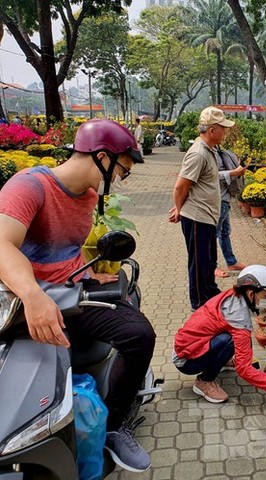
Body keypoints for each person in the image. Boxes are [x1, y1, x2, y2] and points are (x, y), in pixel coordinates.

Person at [0, 118, 156, 472]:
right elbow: (2, 244)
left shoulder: (87, 196)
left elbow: (67, 248)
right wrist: (32, 295)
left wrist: (92, 271)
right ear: (102, 157)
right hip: (28, 304)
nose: (118, 181)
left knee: (140, 334)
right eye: (121, 172)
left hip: (74, 293)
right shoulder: (29, 187)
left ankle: (114, 427)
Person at [173, 265, 266, 403]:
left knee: (233, 339)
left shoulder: (232, 296)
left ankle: (221, 360)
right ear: (251, 294)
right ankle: (204, 381)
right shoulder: (238, 318)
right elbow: (244, 369)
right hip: (187, 361)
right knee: (230, 340)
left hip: (188, 347)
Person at [169, 106, 234, 311]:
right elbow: (181, 186)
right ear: (212, 130)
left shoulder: (209, 150)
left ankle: (210, 294)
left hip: (206, 217)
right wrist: (179, 209)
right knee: (199, 263)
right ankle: (199, 303)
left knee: (208, 260)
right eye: (223, 128)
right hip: (197, 217)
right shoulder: (198, 153)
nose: (225, 132)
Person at [214, 146, 247, 278]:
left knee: (224, 232)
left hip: (225, 199)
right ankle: (212, 267)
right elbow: (210, 176)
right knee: (213, 235)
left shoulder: (218, 150)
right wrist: (233, 172)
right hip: (218, 199)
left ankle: (231, 262)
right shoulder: (205, 153)